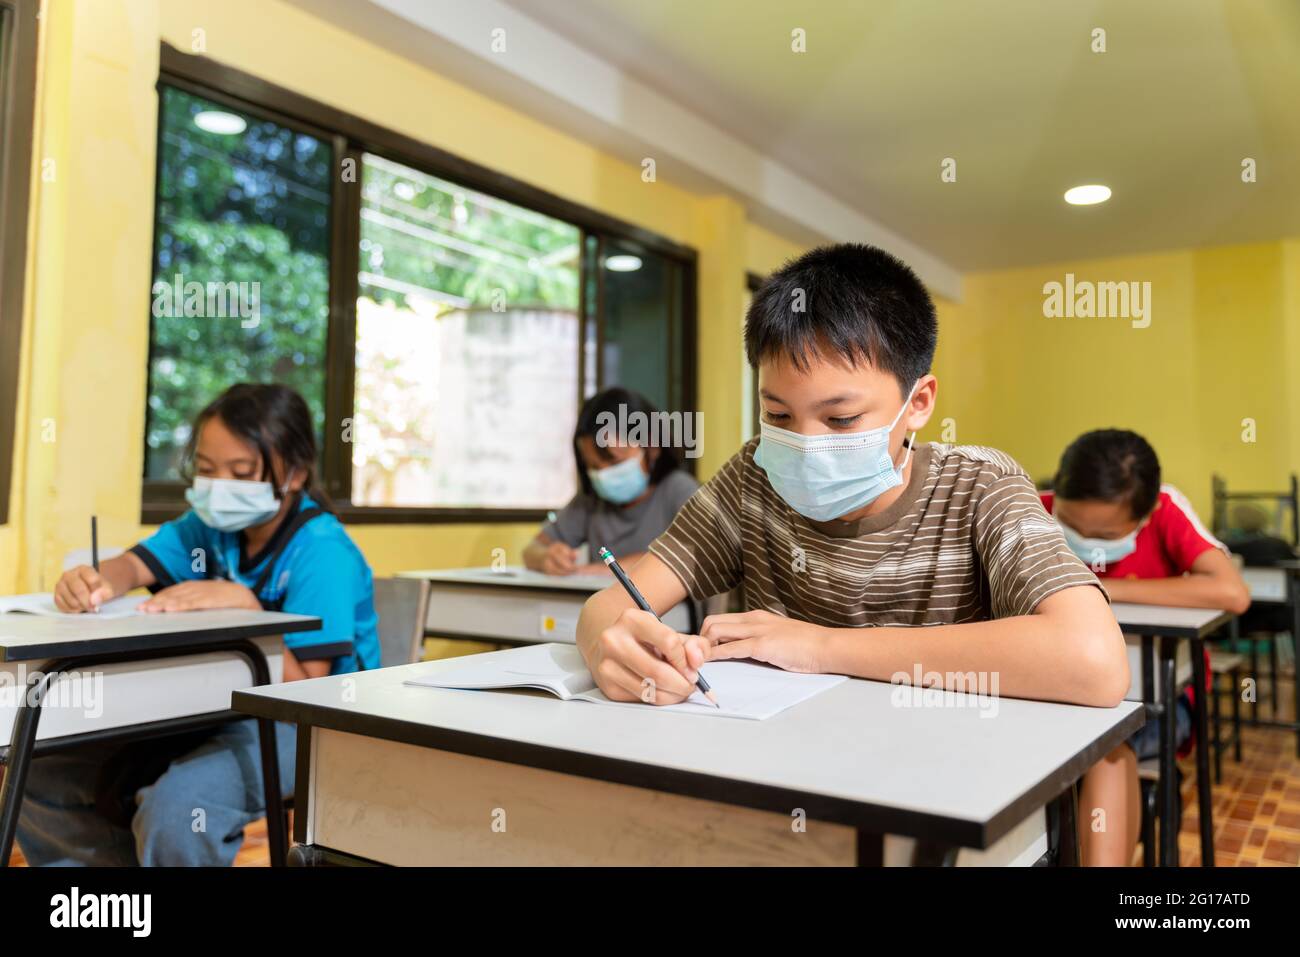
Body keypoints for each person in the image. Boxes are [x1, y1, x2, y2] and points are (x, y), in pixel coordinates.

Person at [574, 243, 1129, 823]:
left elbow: (1093, 660)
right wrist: (607, 646)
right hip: (787, 790)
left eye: (841, 419)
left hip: (944, 796)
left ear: (917, 402)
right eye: (779, 416)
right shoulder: (752, 479)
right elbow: (612, 603)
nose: (807, 444)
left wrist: (819, 647)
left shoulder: (979, 486)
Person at [18, 383, 379, 866]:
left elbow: (313, 695)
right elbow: (132, 566)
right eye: (207, 470)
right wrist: (92, 580)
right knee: (42, 774)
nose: (218, 486)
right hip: (212, 709)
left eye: (241, 472)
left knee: (180, 808)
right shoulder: (205, 529)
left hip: (315, 730)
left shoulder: (321, 551)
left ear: (295, 471)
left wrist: (251, 612)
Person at [1044, 428, 1249, 865]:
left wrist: (1099, 587)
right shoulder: (1033, 511)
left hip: (1157, 702)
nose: (1085, 539)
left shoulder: (1166, 510)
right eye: (1072, 524)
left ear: (1146, 513)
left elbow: (1231, 592)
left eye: (1101, 533)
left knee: (1106, 747)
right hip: (1061, 696)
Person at [523, 387, 698, 576]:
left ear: (652, 446)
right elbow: (531, 550)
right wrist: (547, 557)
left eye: (615, 462)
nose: (604, 475)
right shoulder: (590, 501)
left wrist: (593, 571)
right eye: (594, 467)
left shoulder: (680, 491)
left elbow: (688, 555)